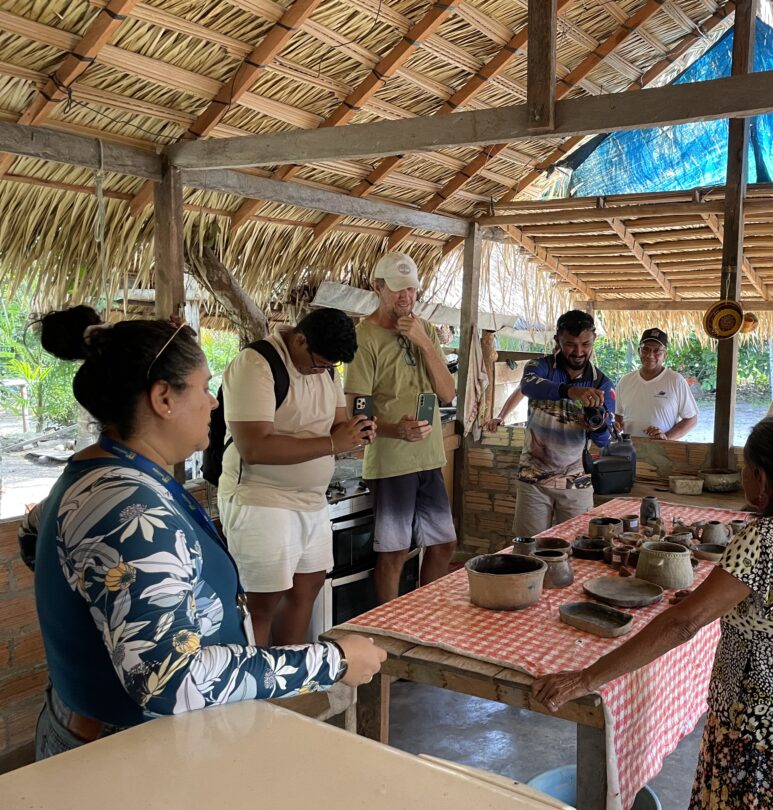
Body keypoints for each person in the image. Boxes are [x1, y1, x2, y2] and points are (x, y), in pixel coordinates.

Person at [28, 306, 385, 760]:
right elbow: (170, 680)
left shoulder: (107, 475)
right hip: (124, 755)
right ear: (163, 399)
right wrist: (332, 662)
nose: (213, 403)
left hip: (116, 736)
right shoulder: (125, 508)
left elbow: (32, 537)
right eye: (201, 387)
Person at [533, 414, 773, 808]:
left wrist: (586, 678)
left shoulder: (767, 537)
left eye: (744, 468)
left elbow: (683, 625)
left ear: (762, 477)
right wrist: (712, 602)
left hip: (766, 729)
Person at [218, 308, 372, 645]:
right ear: (300, 340)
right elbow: (255, 447)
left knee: (309, 585)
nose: (323, 372)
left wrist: (356, 432)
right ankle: (254, 682)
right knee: (262, 601)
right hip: (262, 499)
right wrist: (333, 443)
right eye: (319, 364)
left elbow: (337, 424)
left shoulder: (327, 370)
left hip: (311, 501)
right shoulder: (256, 364)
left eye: (330, 368)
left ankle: (289, 677)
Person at [345, 252, 457, 605]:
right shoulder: (364, 338)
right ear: (377, 287)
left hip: (429, 458)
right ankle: (388, 631)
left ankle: (421, 617)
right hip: (393, 462)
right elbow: (357, 411)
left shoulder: (423, 332)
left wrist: (424, 343)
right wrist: (396, 430)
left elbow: (447, 392)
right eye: (396, 289)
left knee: (443, 545)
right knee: (394, 552)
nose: (406, 297)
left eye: (411, 289)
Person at [513, 310, 615, 537]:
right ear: (557, 339)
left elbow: (604, 439)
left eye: (585, 344)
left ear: (594, 340)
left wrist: (597, 427)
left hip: (576, 486)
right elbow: (528, 386)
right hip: (534, 482)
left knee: (576, 551)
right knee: (527, 552)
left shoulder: (603, 383)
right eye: (570, 344)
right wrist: (570, 391)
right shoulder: (539, 368)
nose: (578, 352)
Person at [613, 328, 698, 441]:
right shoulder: (625, 381)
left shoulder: (676, 380)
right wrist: (617, 426)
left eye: (657, 351)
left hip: (663, 453)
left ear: (665, 355)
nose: (650, 355)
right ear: (639, 351)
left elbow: (691, 419)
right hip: (630, 450)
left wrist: (666, 437)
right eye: (646, 350)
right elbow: (618, 415)